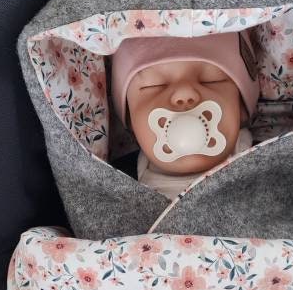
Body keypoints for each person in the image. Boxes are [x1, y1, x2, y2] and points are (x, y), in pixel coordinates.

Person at [109, 28, 260, 199]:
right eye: (155, 85)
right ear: (130, 120)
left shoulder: (273, 164)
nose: (184, 93)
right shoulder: (113, 187)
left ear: (241, 108)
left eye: (211, 80)